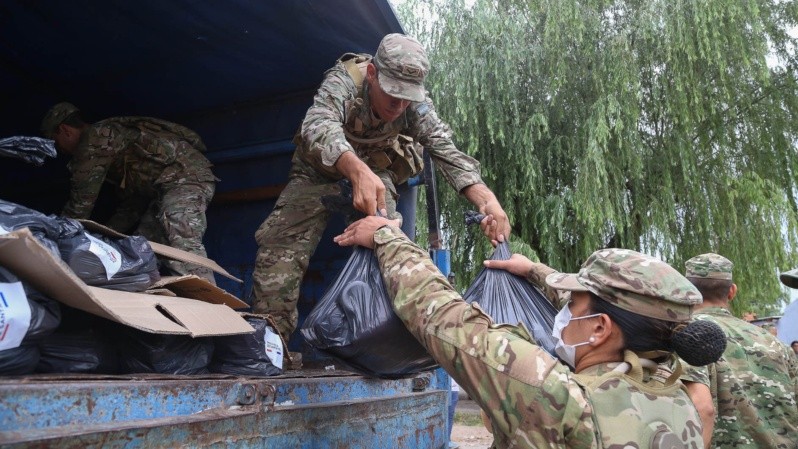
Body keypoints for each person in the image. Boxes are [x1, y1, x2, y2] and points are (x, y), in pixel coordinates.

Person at [334, 216, 727, 448]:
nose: (562, 314)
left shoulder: (557, 395)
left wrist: (388, 236)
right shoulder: (679, 403)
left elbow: (438, 313)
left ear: (601, 329)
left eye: (571, 305)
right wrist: (537, 272)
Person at [251, 33, 510, 341]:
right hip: (318, 172)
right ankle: (269, 345)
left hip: (376, 173)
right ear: (372, 74)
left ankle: (384, 342)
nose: (399, 106)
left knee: (390, 245)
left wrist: (487, 200)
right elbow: (317, 124)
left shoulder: (414, 104)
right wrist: (354, 168)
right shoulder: (345, 80)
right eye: (392, 95)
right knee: (281, 245)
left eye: (407, 98)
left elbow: (444, 149)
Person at [40, 102, 218, 283]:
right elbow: (133, 203)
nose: (60, 150)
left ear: (65, 130)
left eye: (56, 141)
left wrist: (56, 239)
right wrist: (108, 236)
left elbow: (81, 204)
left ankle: (207, 296)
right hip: (165, 189)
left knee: (181, 235)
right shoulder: (107, 143)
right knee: (143, 250)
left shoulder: (96, 140)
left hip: (186, 177)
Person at [679, 253, 798, 449]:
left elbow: (702, 408)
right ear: (732, 291)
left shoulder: (686, 337)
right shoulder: (777, 345)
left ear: (687, 291)